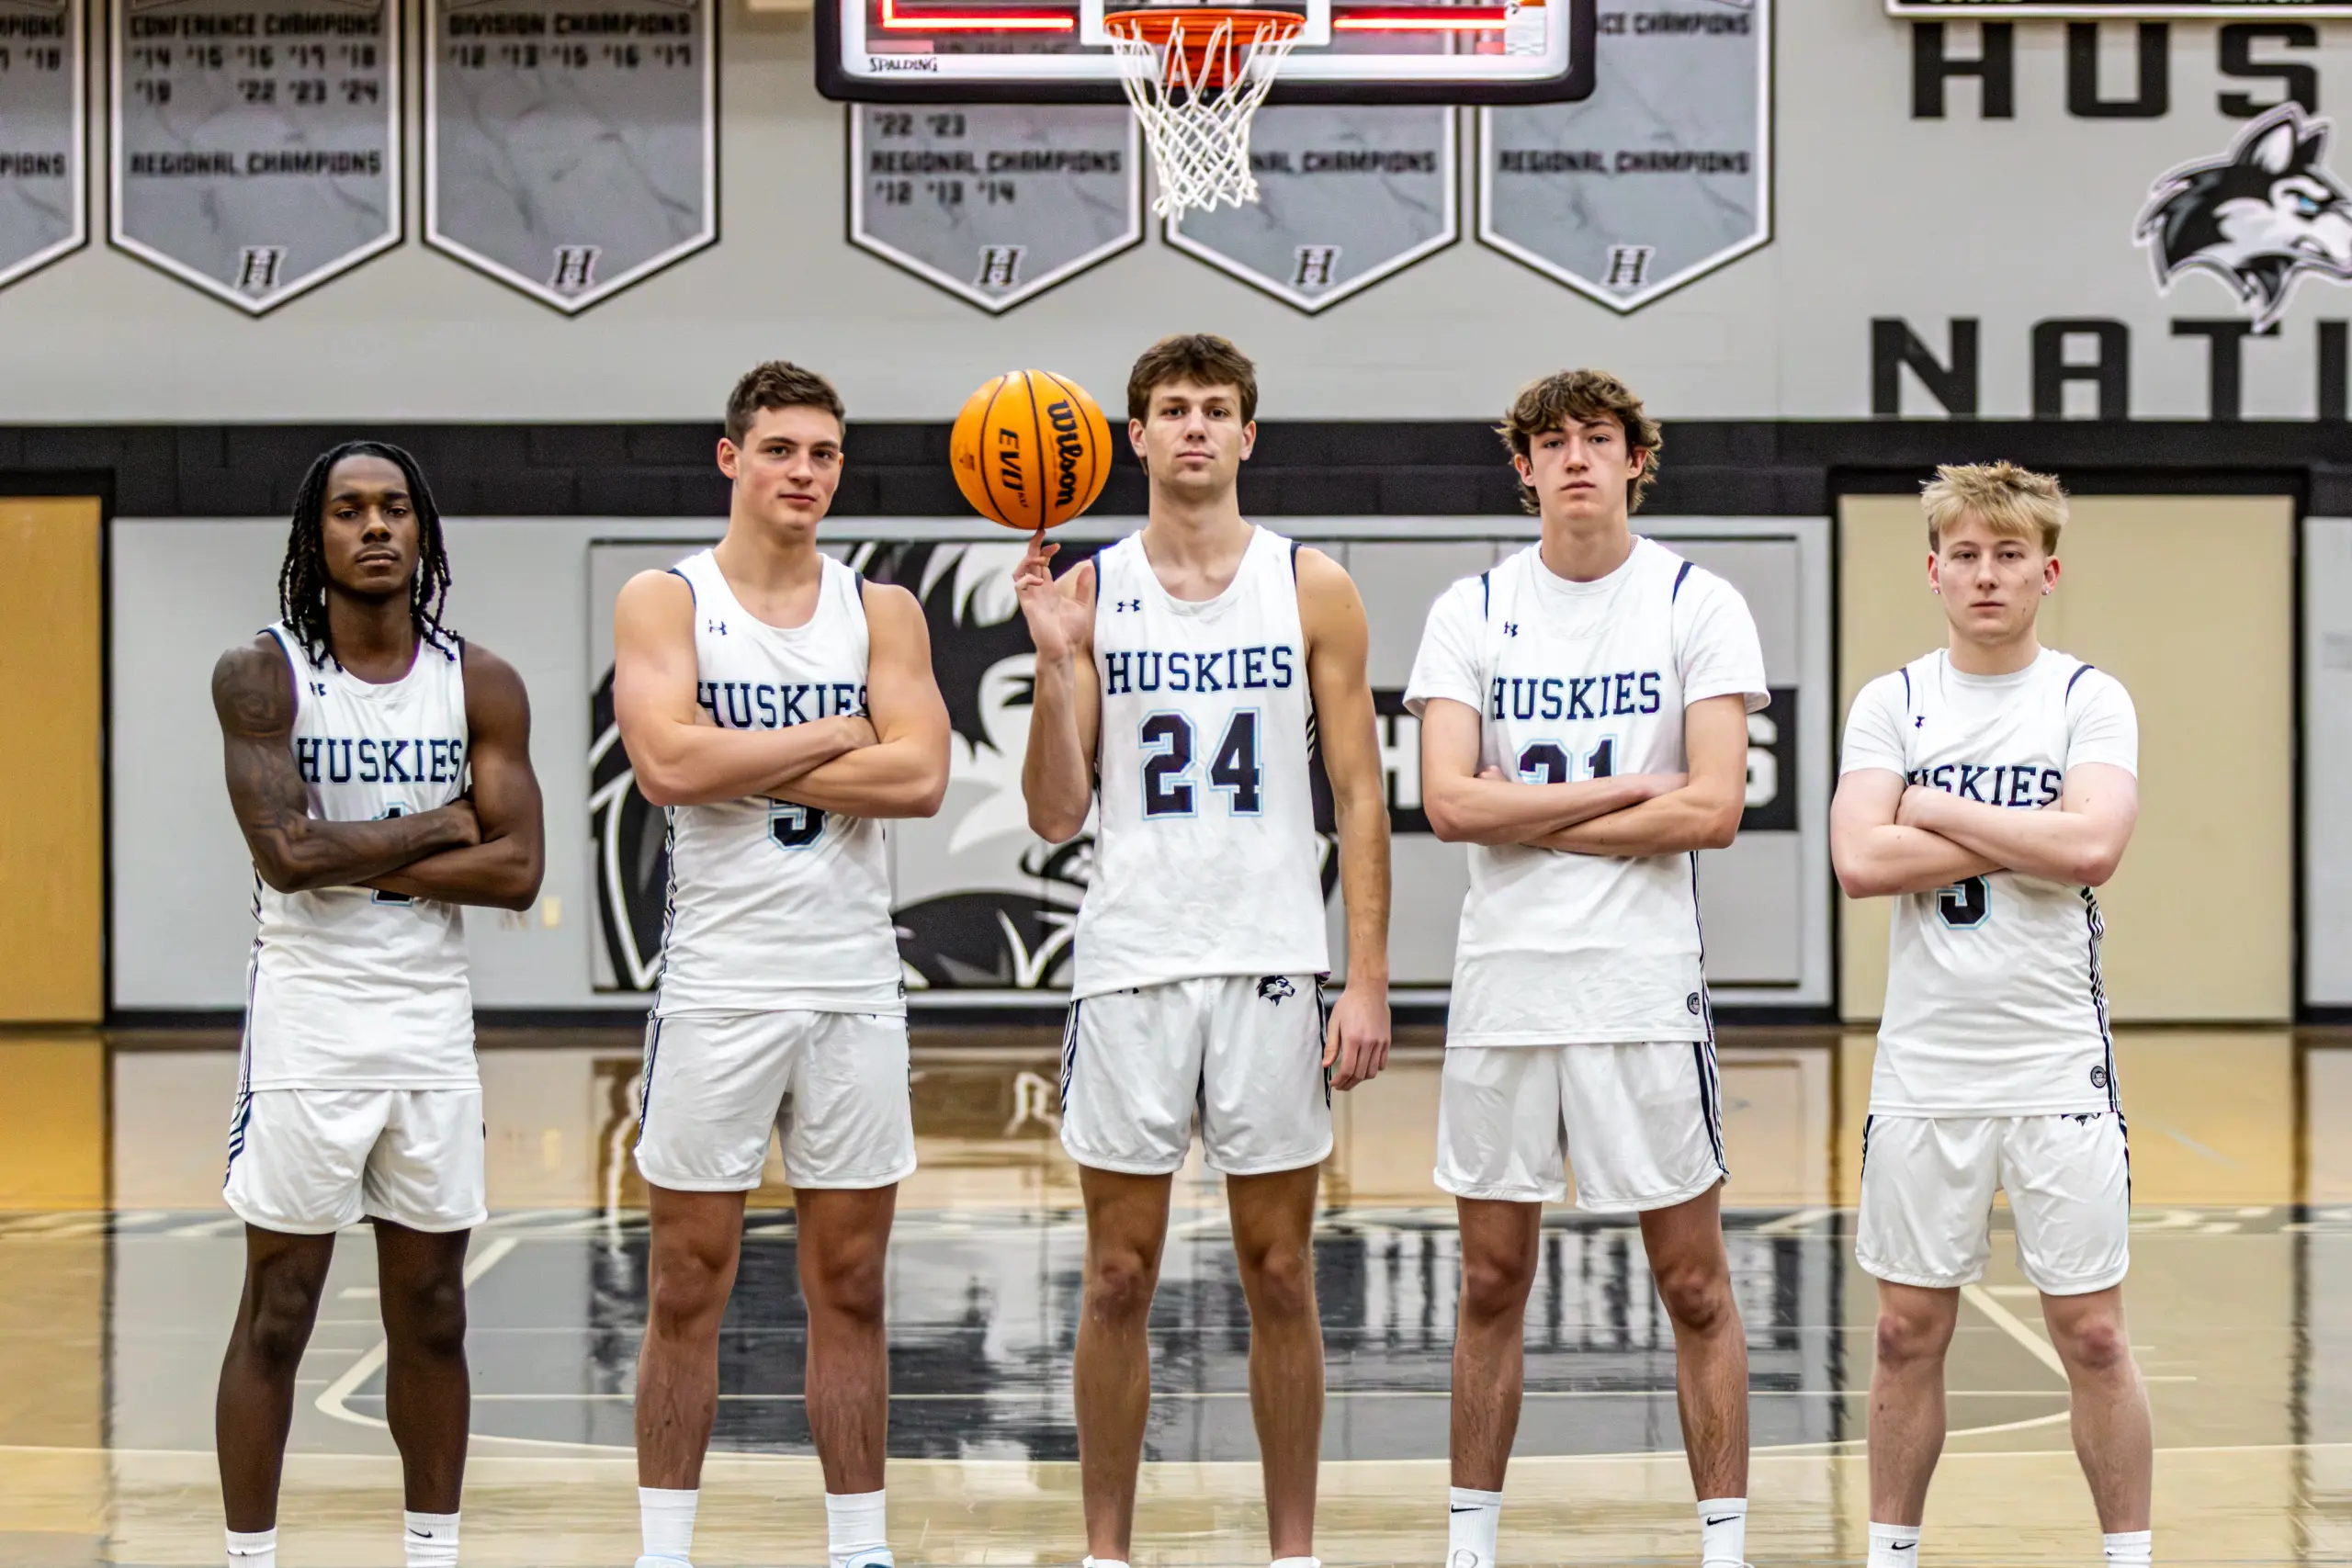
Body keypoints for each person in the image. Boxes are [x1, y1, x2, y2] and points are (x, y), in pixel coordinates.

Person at [1015, 333, 1393, 1568]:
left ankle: (1294, 1553)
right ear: (1133, 437)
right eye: (1171, 409)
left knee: (1280, 1270)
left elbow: (1360, 794)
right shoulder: (1091, 590)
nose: (1193, 427)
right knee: (1117, 1275)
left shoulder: (1311, 585)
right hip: (1131, 961)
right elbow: (1055, 811)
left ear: (1247, 435)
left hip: (1271, 957)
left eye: (1214, 409)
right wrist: (1055, 662)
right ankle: (1104, 1552)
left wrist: (1367, 977)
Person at [1406, 369, 1767, 1568]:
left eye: (1596, 438)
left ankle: (1723, 1547)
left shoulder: (1696, 601)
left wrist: (1527, 812)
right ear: (1522, 466)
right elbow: (1447, 805)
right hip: (1505, 983)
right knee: (1491, 1277)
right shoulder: (1471, 608)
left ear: (1633, 459)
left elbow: (1713, 810)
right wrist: (1624, 790)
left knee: (1694, 1282)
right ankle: (1470, 1546)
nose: (1574, 457)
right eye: (1551, 441)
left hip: (1641, 983)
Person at [613, 362, 951, 1568]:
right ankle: (664, 1550)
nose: (804, 472)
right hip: (718, 982)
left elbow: (920, 777)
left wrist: (736, 749)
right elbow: (664, 765)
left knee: (850, 1281)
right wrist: (837, 731)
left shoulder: (882, 610)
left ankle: (860, 1547)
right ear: (731, 458)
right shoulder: (667, 599)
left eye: (823, 453)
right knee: (685, 1279)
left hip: (852, 983)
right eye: (780, 449)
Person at [210, 441, 546, 1568]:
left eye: (394, 508)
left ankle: (431, 1554)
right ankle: (249, 1558)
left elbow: (519, 871)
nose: (374, 527)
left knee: (435, 1308)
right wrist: (440, 825)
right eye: (348, 510)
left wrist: (354, 848)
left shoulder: (481, 681)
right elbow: (286, 856)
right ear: (315, 538)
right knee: (279, 1308)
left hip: (427, 1020)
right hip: (308, 1019)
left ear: (422, 531)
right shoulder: (262, 674)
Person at [1829, 463, 2147, 1568]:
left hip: (2057, 1061)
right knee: (1903, 1331)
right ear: (1933, 571)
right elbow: (1860, 862)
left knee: (2093, 1334)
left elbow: (2093, 847)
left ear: (2046, 573)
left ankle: (2128, 1558)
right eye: (1964, 555)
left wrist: (1930, 806)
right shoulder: (1893, 702)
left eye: (2009, 555)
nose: (1986, 575)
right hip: (1927, 1066)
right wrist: (2026, 831)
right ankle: (1891, 1555)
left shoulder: (2086, 699)